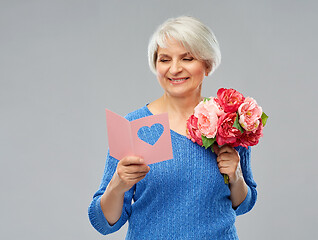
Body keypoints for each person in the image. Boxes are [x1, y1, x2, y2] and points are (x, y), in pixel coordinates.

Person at [88, 16, 257, 239]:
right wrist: (117, 186)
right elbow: (103, 223)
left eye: (187, 58)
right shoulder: (134, 126)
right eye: (165, 59)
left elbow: (244, 204)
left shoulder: (228, 122)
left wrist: (236, 176)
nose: (174, 69)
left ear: (207, 65)